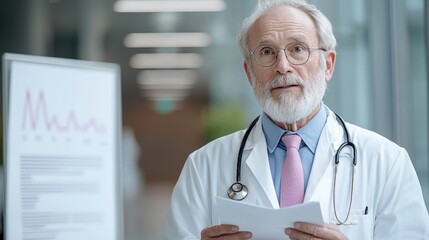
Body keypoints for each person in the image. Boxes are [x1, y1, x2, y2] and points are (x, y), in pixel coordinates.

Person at [160, 0, 429, 239]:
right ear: (249, 72)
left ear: (328, 65)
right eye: (266, 52)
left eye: (297, 49)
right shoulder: (203, 166)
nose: (282, 65)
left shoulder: (387, 162)